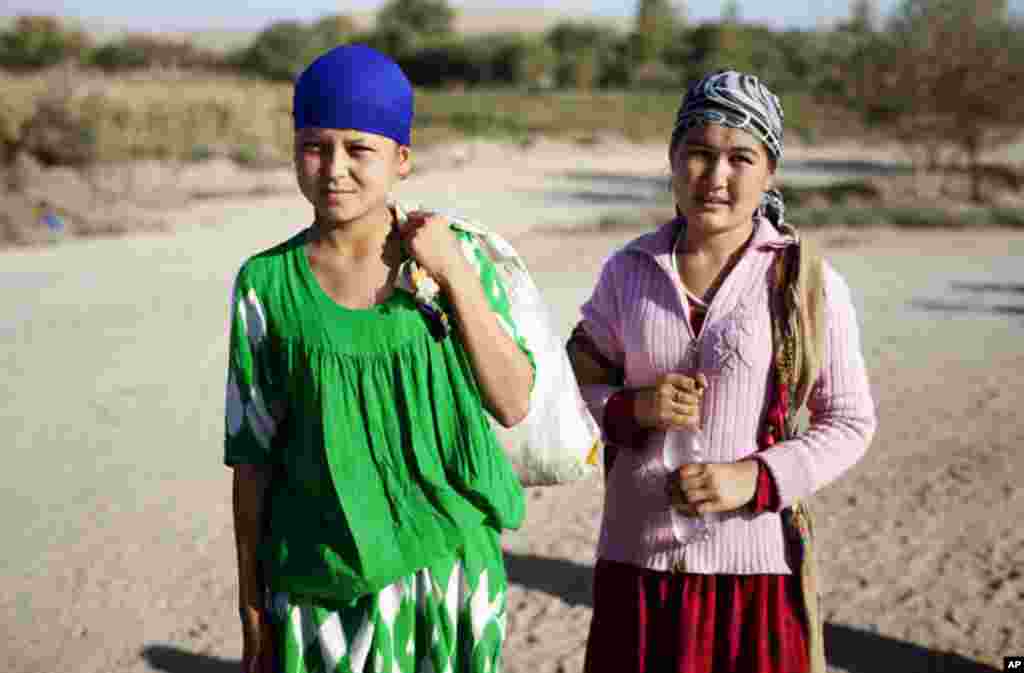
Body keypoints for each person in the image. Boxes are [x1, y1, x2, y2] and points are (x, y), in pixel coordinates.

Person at [224, 45, 535, 673]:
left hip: (449, 578)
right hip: (321, 583)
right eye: (315, 146)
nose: (334, 168)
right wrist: (252, 609)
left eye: (358, 149)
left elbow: (512, 401)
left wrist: (453, 276)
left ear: (401, 159)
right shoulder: (265, 284)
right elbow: (251, 459)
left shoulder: (459, 257)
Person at [567, 71, 877, 673]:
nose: (716, 177)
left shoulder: (804, 283)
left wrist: (753, 478)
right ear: (673, 159)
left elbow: (851, 421)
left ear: (769, 172)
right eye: (700, 154)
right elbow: (569, 393)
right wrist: (635, 409)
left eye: (741, 157)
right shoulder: (627, 272)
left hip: (754, 577)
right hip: (637, 574)